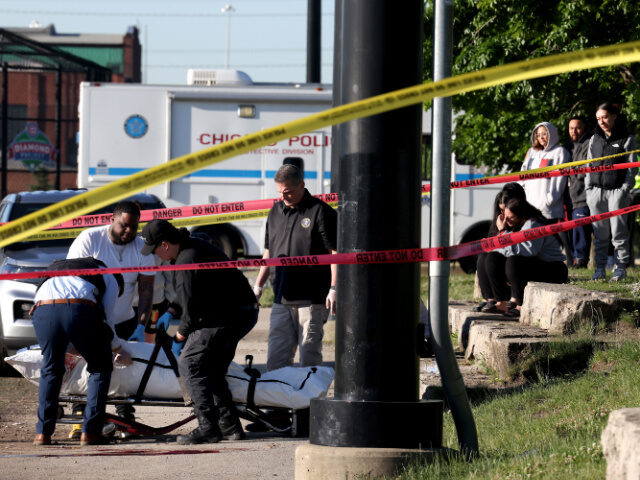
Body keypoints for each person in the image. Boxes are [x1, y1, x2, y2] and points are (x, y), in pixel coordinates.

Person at [140, 219, 258, 444]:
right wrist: (173, 308)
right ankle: (230, 427)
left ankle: (208, 428)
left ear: (164, 244)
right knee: (210, 368)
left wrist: (180, 336)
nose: (155, 255)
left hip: (227, 316)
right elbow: (192, 293)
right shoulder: (191, 247)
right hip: (240, 311)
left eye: (154, 250)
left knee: (189, 363)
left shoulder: (187, 258)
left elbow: (192, 312)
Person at [66, 201, 155, 437]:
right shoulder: (90, 240)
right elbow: (73, 283)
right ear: (112, 219)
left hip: (124, 320)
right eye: (124, 226)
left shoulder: (142, 248)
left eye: (134, 227)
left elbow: (146, 290)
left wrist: (141, 325)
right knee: (86, 368)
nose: (129, 232)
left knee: (124, 370)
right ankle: (79, 417)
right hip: (90, 319)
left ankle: (125, 418)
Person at [31, 257, 132, 447]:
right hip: (78, 308)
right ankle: (90, 432)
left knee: (51, 368)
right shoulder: (109, 277)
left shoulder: (60, 268)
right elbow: (107, 322)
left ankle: (42, 434)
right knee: (100, 367)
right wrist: (117, 349)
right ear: (118, 283)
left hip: (41, 309)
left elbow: (51, 306)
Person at [252, 163, 337, 371]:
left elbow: (335, 253)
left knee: (309, 359)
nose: (284, 197)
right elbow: (269, 252)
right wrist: (258, 285)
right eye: (280, 192)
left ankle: (308, 403)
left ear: (302, 184)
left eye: (288, 192)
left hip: (311, 300)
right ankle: (278, 401)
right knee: (276, 359)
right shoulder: (274, 211)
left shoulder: (320, 212)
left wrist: (334, 288)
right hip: (282, 298)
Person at [490, 197, 568, 317]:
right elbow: (509, 248)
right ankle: (501, 300)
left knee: (514, 262)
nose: (506, 220)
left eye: (510, 217)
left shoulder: (534, 224)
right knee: (492, 258)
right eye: (505, 216)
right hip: (538, 264)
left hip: (554, 269)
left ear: (520, 215)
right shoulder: (522, 224)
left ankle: (520, 304)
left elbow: (526, 251)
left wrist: (503, 233)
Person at [586, 102, 638, 282]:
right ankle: (600, 269)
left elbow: (632, 168)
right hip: (596, 191)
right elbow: (588, 165)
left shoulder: (627, 138)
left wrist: (625, 189)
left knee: (618, 232)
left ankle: (620, 268)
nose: (602, 121)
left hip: (617, 191)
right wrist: (589, 189)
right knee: (600, 234)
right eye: (598, 118)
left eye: (605, 117)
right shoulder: (594, 139)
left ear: (614, 116)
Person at [521, 122, 571, 262]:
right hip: (530, 203)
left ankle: (566, 263)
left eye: (544, 134)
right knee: (533, 237)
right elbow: (523, 174)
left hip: (548, 207)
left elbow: (559, 178)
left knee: (551, 238)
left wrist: (550, 198)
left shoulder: (560, 152)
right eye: (538, 134)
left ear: (552, 134)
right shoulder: (532, 152)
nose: (541, 137)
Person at [475, 183, 527, 313]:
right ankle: (490, 298)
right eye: (501, 211)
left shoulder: (528, 220)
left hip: (521, 262)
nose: (503, 215)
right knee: (483, 256)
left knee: (497, 259)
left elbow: (517, 248)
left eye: (506, 210)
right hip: (505, 261)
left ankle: (506, 300)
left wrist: (502, 232)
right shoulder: (500, 219)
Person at [563, 115, 593, 268]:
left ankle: (581, 260)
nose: (574, 131)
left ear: (584, 128)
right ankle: (572, 260)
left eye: (577, 127)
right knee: (568, 231)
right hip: (566, 198)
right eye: (571, 128)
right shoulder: (565, 146)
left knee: (580, 228)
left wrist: (568, 170)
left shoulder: (589, 144)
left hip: (583, 196)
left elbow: (586, 169)